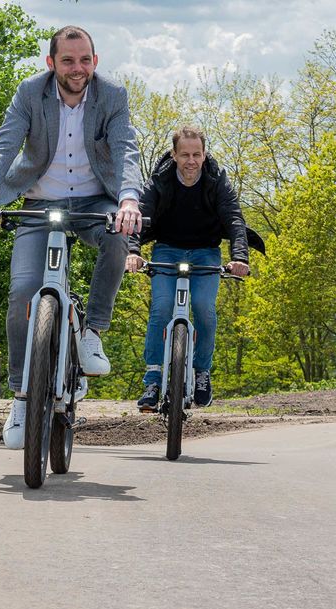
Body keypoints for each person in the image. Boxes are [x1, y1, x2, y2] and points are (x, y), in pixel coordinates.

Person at [0, 25, 143, 449]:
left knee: (118, 235)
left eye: (84, 60)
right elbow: (4, 146)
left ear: (94, 62)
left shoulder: (112, 96)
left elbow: (126, 150)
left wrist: (128, 200)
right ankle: (21, 396)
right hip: (39, 204)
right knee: (22, 292)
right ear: (51, 63)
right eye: (67, 60)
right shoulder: (30, 92)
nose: (77, 68)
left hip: (94, 202)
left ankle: (92, 333)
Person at [125, 125, 261, 410]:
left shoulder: (216, 179)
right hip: (166, 250)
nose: (191, 161)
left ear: (204, 154)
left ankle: (201, 373)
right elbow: (140, 215)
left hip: (206, 253)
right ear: (174, 155)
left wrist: (240, 258)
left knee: (203, 307)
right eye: (185, 155)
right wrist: (133, 252)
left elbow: (234, 219)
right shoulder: (160, 179)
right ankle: (153, 380)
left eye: (196, 154)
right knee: (161, 308)